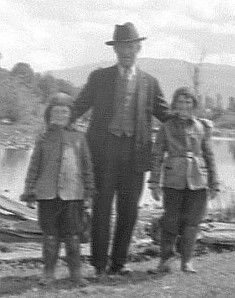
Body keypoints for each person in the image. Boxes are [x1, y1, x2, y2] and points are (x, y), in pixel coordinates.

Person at [72, 22, 171, 279]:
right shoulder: (99, 77)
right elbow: (79, 106)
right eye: (121, 46)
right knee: (102, 209)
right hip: (103, 153)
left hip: (135, 155)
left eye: (130, 45)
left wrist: (190, 122)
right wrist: (55, 122)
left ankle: (119, 263)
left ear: (139, 47)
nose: (126, 51)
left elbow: (165, 115)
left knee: (129, 210)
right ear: (115, 50)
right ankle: (99, 265)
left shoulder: (150, 82)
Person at [20, 92, 95, 286]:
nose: (60, 115)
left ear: (71, 115)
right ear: (49, 114)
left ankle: (76, 273)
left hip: (73, 194)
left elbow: (87, 167)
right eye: (56, 111)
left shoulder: (79, 138)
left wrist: (89, 191)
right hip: (47, 194)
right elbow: (34, 167)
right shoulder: (43, 139)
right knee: (50, 235)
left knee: (72, 236)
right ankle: (48, 273)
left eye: (64, 112)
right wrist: (29, 190)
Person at [148, 87, 220, 274]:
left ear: (194, 105)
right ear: (174, 104)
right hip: (173, 179)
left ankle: (187, 261)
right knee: (170, 221)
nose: (184, 106)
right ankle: (165, 260)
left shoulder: (202, 127)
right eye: (180, 102)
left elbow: (209, 155)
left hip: (198, 180)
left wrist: (214, 183)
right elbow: (156, 156)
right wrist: (154, 183)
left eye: (188, 102)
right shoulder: (166, 127)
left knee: (192, 222)